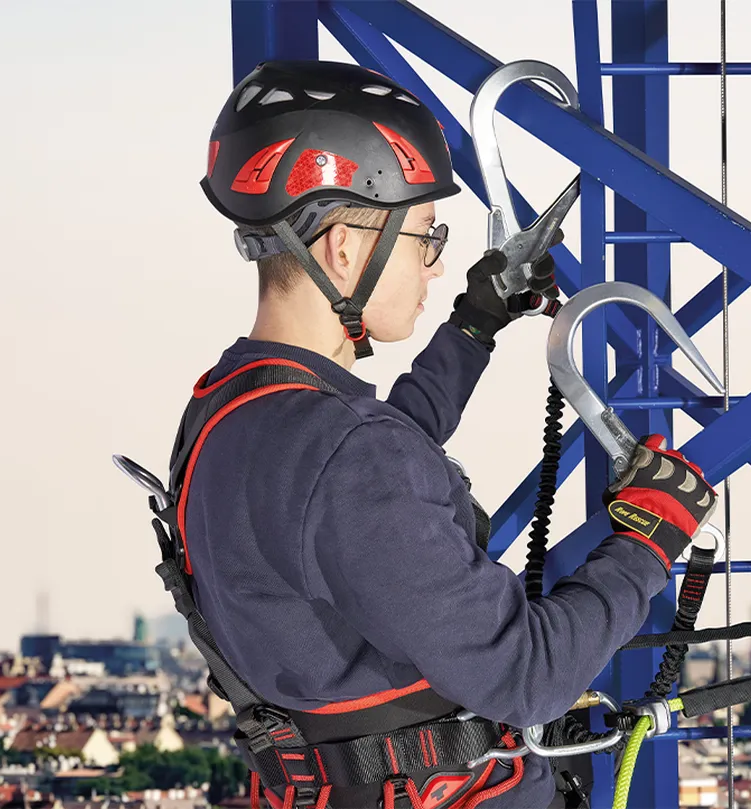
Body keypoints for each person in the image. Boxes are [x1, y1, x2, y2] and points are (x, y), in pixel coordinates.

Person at [159, 60, 718, 809]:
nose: (436, 262)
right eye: (424, 234)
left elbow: (359, 485)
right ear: (344, 250)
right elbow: (529, 677)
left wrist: (473, 327)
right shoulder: (346, 455)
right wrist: (649, 542)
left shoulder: (228, 410)